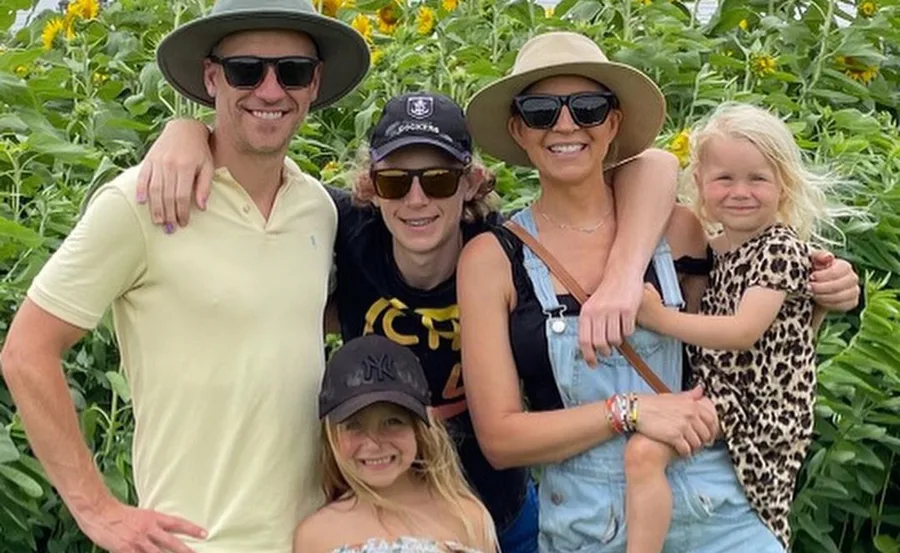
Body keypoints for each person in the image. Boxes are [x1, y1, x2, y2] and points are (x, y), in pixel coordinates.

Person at [132, 90, 689, 553]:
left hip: (497, 509)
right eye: (397, 181)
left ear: (471, 183)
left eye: (440, 180)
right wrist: (187, 131)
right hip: (378, 508)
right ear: (371, 187)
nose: (417, 199)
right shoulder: (343, 234)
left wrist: (622, 274)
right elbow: (261, 184)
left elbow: (657, 165)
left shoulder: (497, 250)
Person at [456, 31, 860, 553]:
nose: (565, 124)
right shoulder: (492, 260)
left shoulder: (678, 232)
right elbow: (501, 440)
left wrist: (830, 291)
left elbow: (745, 340)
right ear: (518, 129)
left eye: (588, 108)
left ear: (614, 122)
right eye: (539, 111)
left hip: (718, 510)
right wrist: (629, 411)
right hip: (590, 529)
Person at [0, 1, 370, 552]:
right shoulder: (141, 203)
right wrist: (97, 510)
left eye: (291, 71)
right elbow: (26, 352)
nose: (271, 91)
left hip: (308, 540)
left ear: (314, 83)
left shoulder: (317, 208)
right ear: (211, 76)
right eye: (247, 70)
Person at [628, 102, 838, 552]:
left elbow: (744, 331)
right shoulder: (715, 249)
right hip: (727, 391)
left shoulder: (780, 248)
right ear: (700, 186)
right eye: (724, 178)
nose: (740, 192)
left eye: (757, 179)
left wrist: (659, 317)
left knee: (645, 453)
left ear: (783, 186)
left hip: (761, 403)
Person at [295, 333, 497, 553]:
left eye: (393, 422)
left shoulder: (467, 519)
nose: (373, 443)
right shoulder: (316, 536)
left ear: (421, 430)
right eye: (354, 425)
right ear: (331, 436)